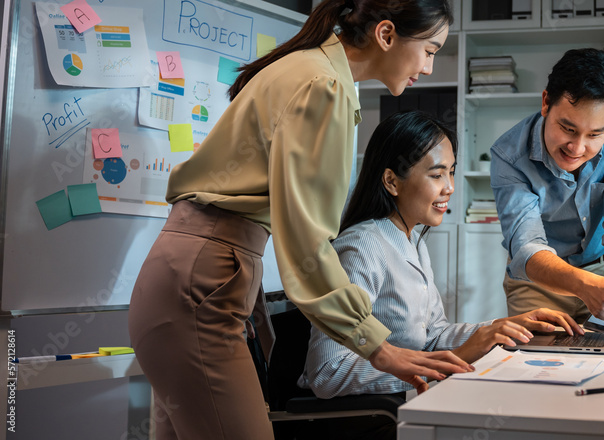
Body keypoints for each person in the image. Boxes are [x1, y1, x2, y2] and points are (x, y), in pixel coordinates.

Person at [127, 2, 471, 439]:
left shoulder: (312, 69)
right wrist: (379, 349)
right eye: (429, 49)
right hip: (200, 284)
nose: (428, 66)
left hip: (188, 276)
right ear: (386, 35)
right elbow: (306, 242)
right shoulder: (324, 84)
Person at [298, 111, 582, 407]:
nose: (450, 187)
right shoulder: (362, 248)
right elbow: (327, 372)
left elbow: (432, 336)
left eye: (451, 171)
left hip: (408, 403)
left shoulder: (412, 239)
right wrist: (446, 363)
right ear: (392, 181)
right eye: (436, 175)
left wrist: (496, 329)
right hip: (370, 418)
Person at [490, 48, 604, 324]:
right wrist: (585, 286)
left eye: (595, 135)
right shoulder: (508, 156)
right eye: (568, 129)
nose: (577, 148)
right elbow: (528, 247)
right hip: (539, 280)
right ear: (545, 102)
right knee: (536, 361)